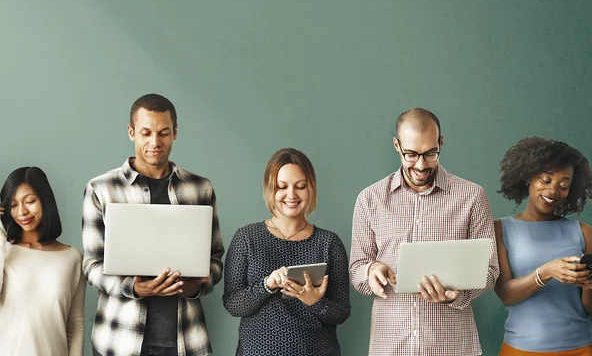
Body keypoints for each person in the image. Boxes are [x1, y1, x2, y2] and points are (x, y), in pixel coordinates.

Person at [349, 107, 499, 356]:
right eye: (411, 154)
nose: (421, 165)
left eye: (430, 154)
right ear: (397, 145)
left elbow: (491, 270)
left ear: (441, 142)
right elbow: (356, 270)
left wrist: (457, 295)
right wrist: (371, 270)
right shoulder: (370, 199)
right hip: (391, 346)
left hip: (452, 346)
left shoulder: (472, 197)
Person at [82, 93, 224, 356]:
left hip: (185, 340)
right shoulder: (101, 189)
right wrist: (135, 288)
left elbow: (215, 259)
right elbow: (92, 265)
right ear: (131, 132)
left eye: (163, 133)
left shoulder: (200, 188)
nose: (154, 142)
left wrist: (197, 286)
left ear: (175, 132)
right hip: (120, 340)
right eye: (146, 132)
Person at [223, 148, 351, 356]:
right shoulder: (247, 238)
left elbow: (342, 312)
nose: (291, 195)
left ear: (311, 189)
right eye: (282, 187)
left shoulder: (329, 243)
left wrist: (315, 302)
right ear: (270, 190)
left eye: (300, 186)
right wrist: (267, 285)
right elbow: (233, 304)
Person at [494, 137, 592, 355]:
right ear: (529, 178)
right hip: (521, 349)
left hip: (581, 348)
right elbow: (506, 294)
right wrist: (546, 271)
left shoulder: (584, 232)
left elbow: (588, 308)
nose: (553, 191)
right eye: (545, 180)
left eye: (563, 186)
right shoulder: (500, 229)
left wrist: (588, 285)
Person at [0, 166, 85, 356]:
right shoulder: (0, 252)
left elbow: (75, 327)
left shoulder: (72, 258)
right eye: (13, 205)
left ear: (45, 201)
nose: (22, 212)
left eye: (30, 201)